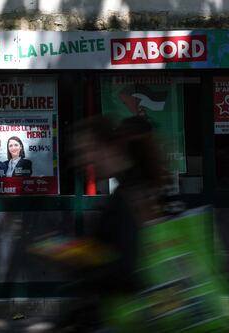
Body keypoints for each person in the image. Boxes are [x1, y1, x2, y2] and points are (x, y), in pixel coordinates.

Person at [58, 115, 169, 332]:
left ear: (102, 147)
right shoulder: (136, 188)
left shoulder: (127, 196)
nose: (81, 161)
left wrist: (83, 265)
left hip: (129, 317)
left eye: (83, 151)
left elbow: (127, 268)